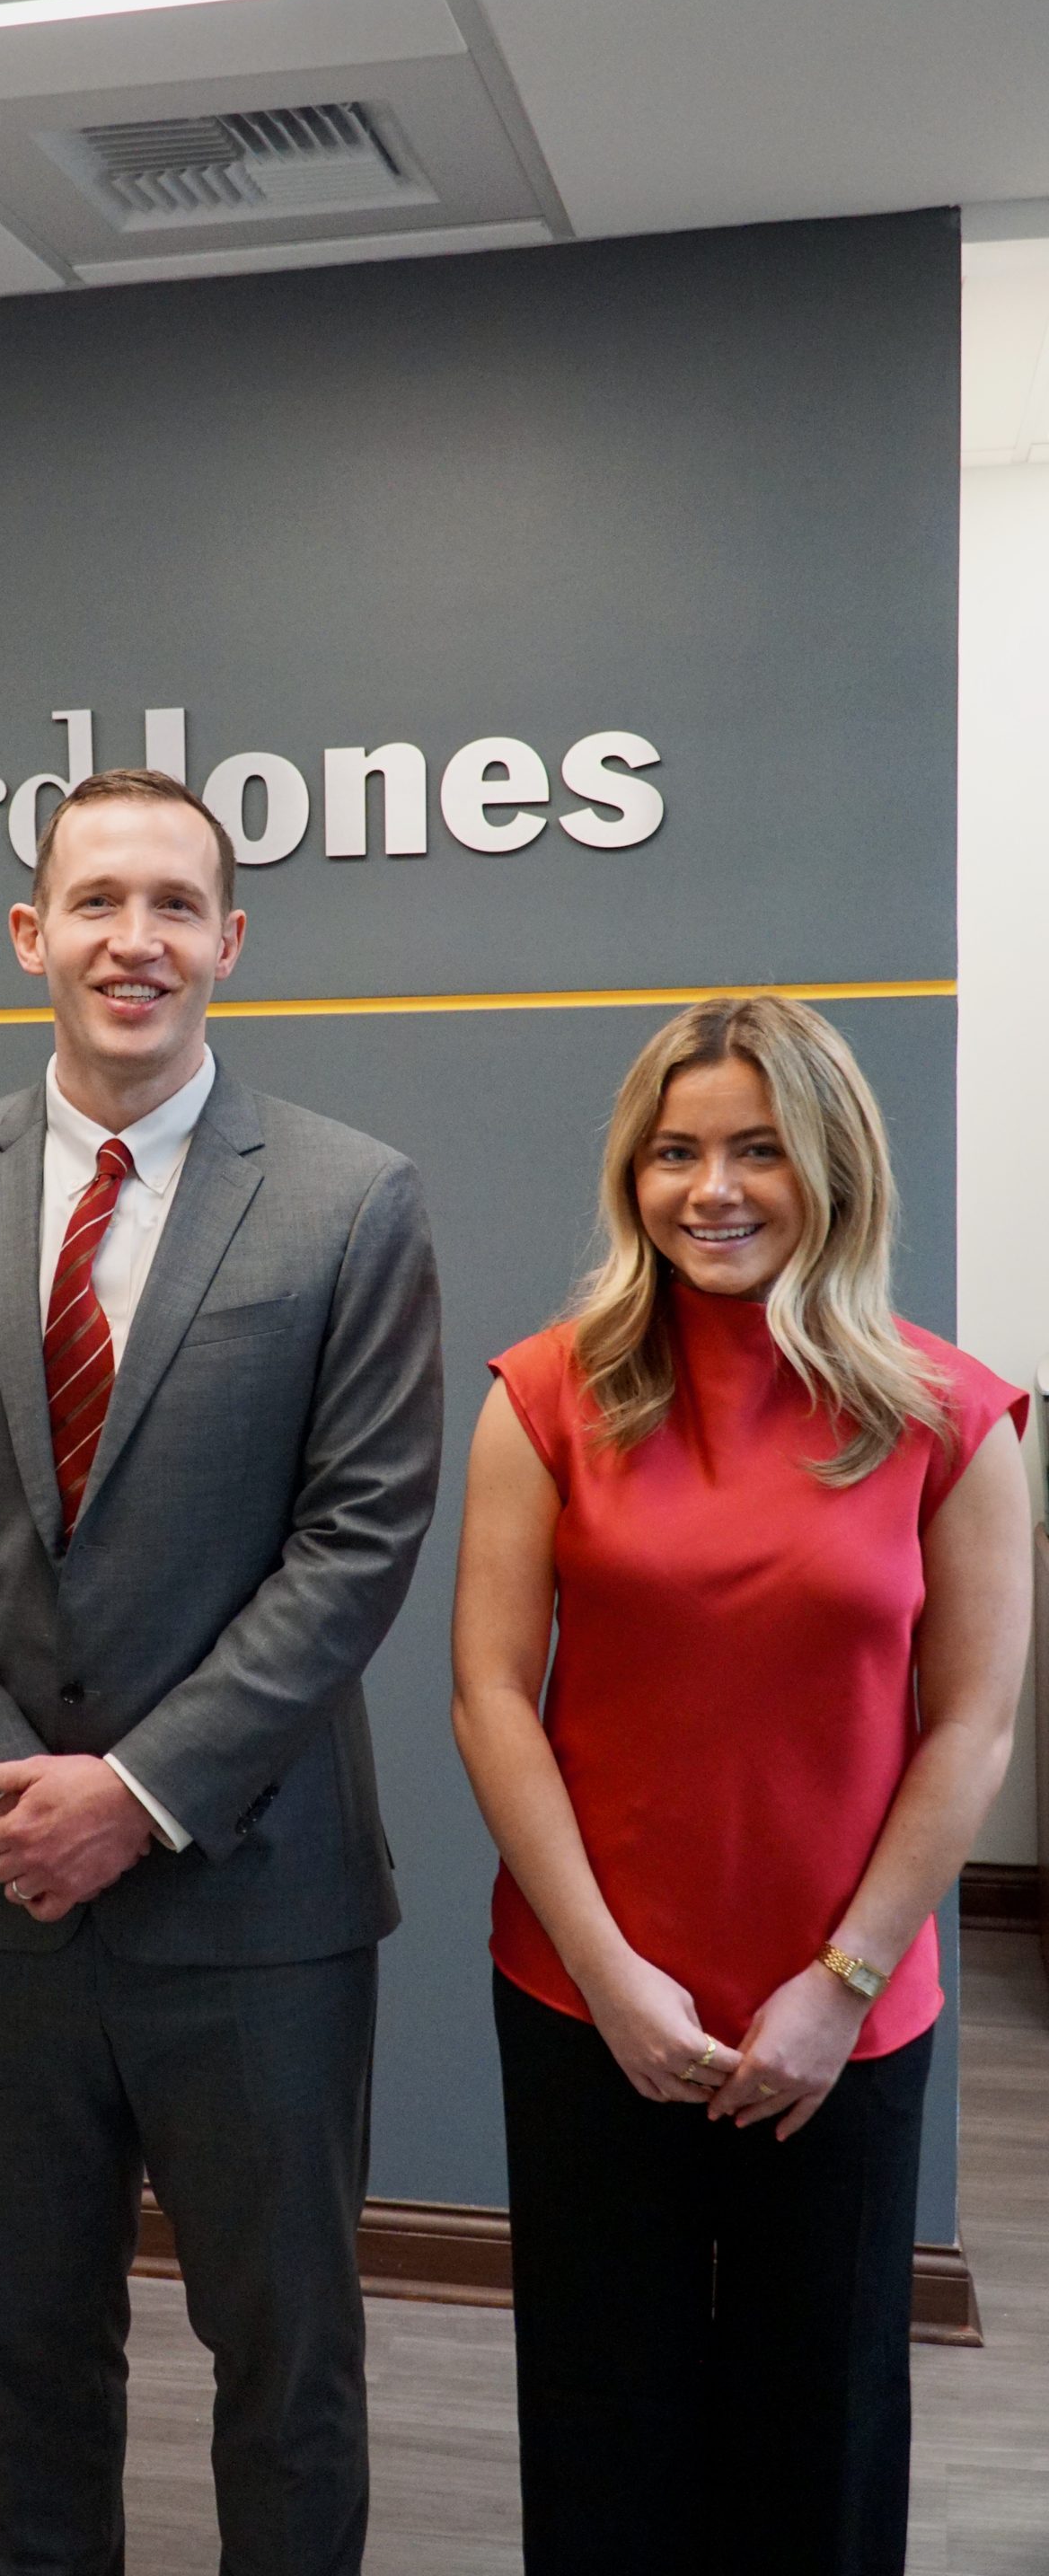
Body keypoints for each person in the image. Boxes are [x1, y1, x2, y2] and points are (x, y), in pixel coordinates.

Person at [0, 766, 443, 2576]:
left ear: (231, 944)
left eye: (176, 904)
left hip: (255, 1903)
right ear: (30, 936)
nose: (135, 938)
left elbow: (360, 1536)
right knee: (31, 2351)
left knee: (290, 2360)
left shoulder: (351, 1200)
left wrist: (142, 1795)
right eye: (97, 901)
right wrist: (20, 1799)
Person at [450, 995, 1030, 2576]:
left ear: (831, 1169)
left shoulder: (949, 1415)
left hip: (843, 2016)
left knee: (821, 2430)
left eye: (759, 1150)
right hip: (591, 2004)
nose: (714, 1188)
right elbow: (492, 1697)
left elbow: (972, 1723)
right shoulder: (544, 1394)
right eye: (677, 1151)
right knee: (603, 2416)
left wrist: (839, 1988)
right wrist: (609, 1975)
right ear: (634, 1176)